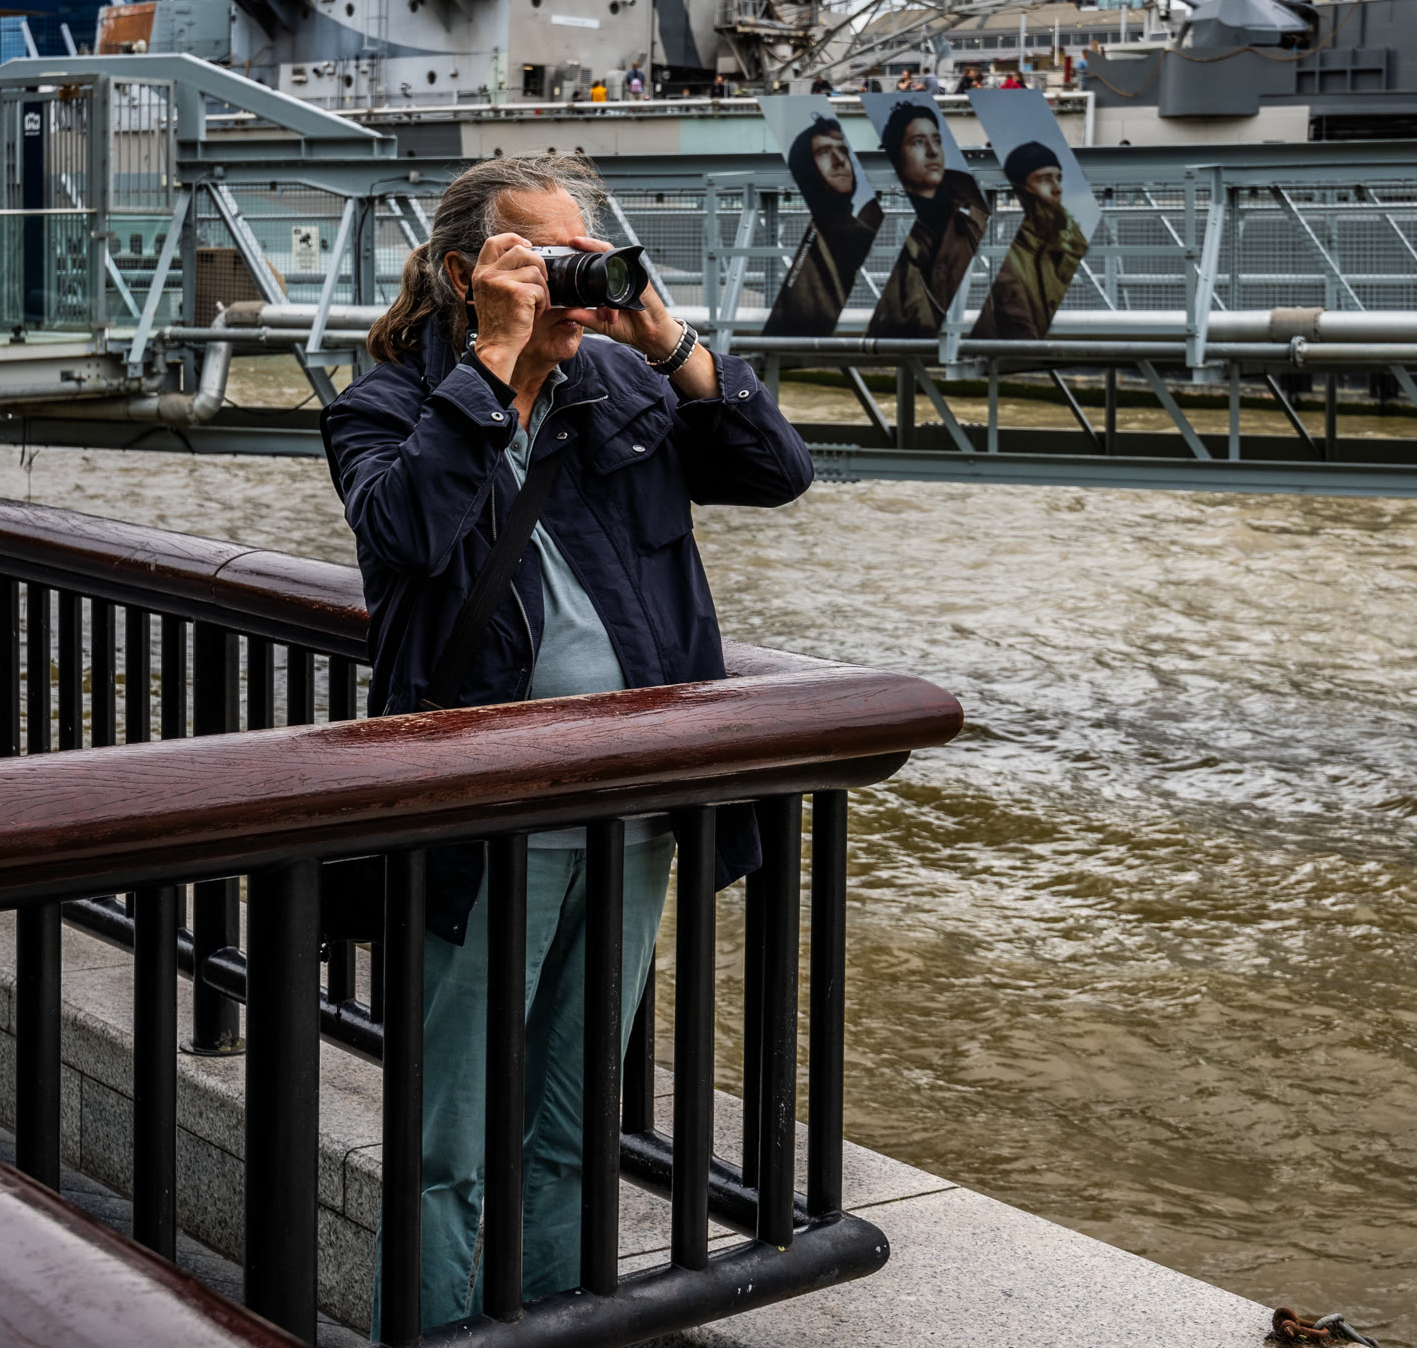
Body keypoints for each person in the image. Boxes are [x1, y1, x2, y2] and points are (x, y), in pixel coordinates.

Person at [324, 155, 812, 1336]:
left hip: (631, 808)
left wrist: (663, 335)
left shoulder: (621, 387)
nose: (565, 281)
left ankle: (552, 1327)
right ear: (464, 274)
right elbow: (404, 538)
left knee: (574, 1123)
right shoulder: (384, 407)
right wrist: (495, 365)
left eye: (575, 252)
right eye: (537, 258)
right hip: (481, 811)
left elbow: (775, 470)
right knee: (445, 1137)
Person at [867, 101, 989, 338]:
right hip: (912, 340)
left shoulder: (970, 217)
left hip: (956, 338)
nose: (933, 151)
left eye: (937, 140)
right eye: (918, 142)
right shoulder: (884, 225)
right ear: (896, 155)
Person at [763, 115, 885, 336]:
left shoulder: (858, 231)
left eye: (843, 151)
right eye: (825, 152)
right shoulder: (825, 240)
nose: (840, 161)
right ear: (807, 166)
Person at [973, 139, 1087, 340]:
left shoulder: (1068, 239)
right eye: (1044, 179)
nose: (1057, 188)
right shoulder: (1017, 254)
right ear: (1022, 188)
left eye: (1058, 178)